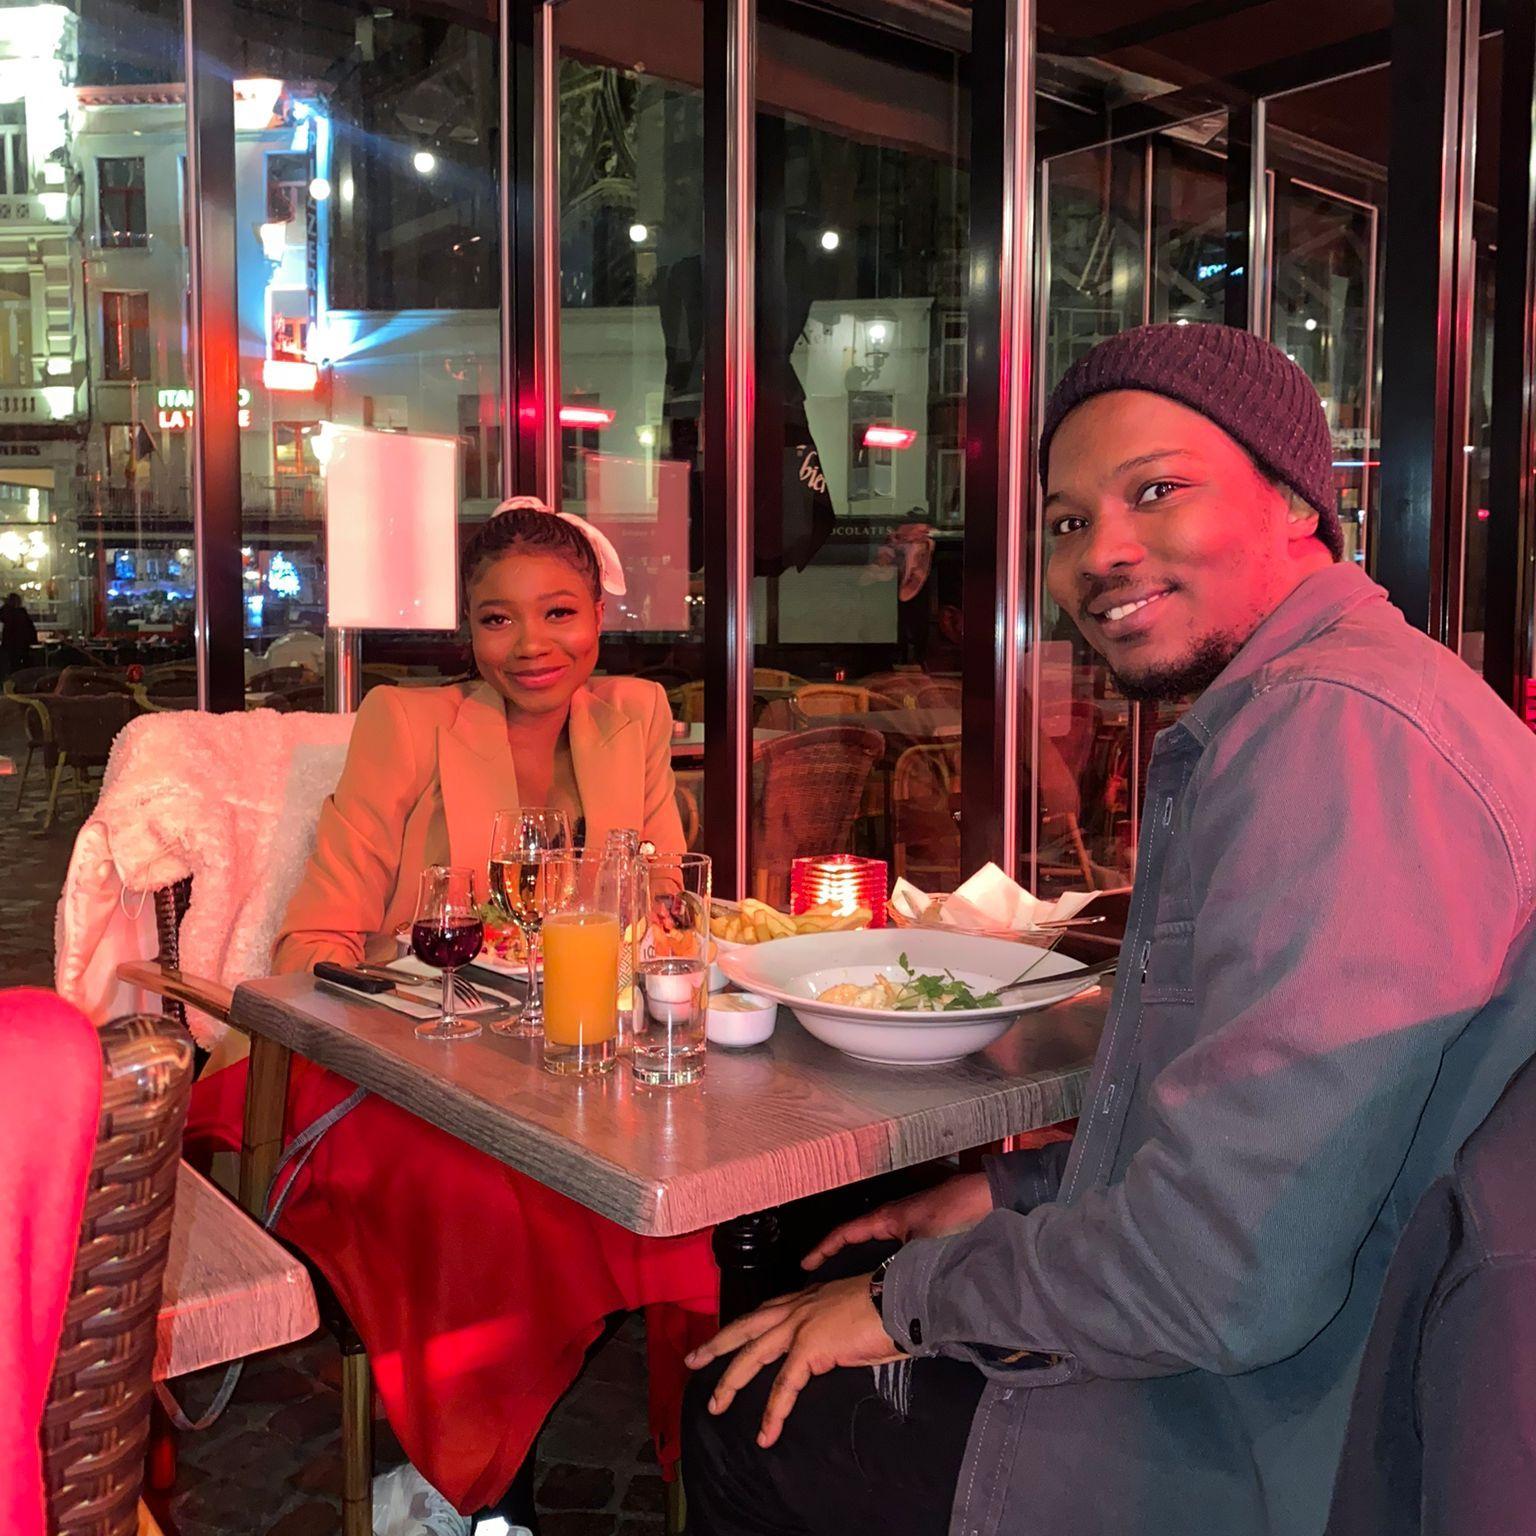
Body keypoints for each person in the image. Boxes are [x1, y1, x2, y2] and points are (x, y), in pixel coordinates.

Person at [681, 322, 1536, 1536]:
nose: (1101, 553)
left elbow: (1224, 1279)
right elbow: (1261, 1145)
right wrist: (1019, 1191)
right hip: (1289, 1357)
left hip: (1295, 1441)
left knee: (744, 1415)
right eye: (1069, 519)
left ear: (1299, 498)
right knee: (823, 1275)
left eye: (1157, 491)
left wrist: (910, 1302)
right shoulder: (1318, 706)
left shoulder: (1340, 741)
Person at [188, 498, 717, 1532]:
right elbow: (315, 943)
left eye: (559, 612)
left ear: (598, 617)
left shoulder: (635, 715)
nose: (531, 645)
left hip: (566, 1051)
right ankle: (475, 1490)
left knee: (685, 1168)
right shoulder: (409, 723)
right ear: (466, 631)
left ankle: (720, 1459)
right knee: (489, 1195)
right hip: (385, 1057)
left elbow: (662, 903)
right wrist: (409, 998)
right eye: (496, 619)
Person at [0, 592, 37, 679]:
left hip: (10, 645)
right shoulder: (21, 613)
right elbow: (30, 629)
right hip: (22, 645)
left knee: (11, 666)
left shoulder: (8, 613)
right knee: (20, 667)